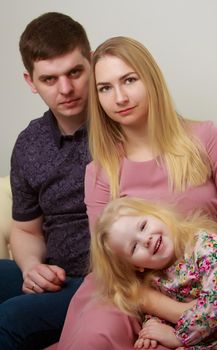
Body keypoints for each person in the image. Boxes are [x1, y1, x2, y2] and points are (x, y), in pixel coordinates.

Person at [57, 36, 217, 349]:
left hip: (206, 288)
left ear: (151, 79)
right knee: (95, 336)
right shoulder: (100, 172)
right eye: (105, 88)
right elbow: (115, 272)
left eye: (129, 80)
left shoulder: (206, 138)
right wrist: (181, 313)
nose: (119, 97)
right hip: (133, 297)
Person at [0, 12, 92, 349]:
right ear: (30, 81)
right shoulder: (29, 144)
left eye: (74, 72)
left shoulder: (123, 116)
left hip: (104, 285)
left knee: (8, 320)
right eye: (50, 79)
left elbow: (198, 147)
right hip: (56, 277)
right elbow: (26, 230)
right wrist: (31, 268)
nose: (66, 89)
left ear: (92, 62)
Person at [91, 196, 217, 349]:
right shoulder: (156, 280)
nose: (145, 239)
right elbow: (164, 313)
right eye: (133, 247)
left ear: (158, 215)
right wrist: (152, 329)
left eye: (143, 226)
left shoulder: (206, 245)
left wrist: (179, 337)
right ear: (136, 266)